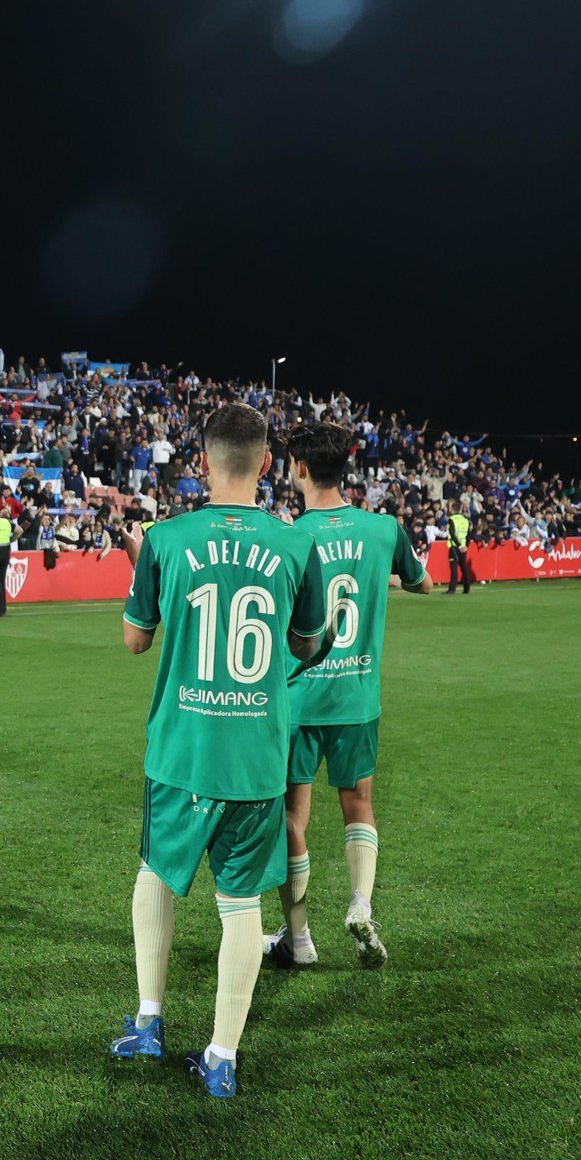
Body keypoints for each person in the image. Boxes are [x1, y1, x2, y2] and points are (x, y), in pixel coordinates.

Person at [108, 403, 331, 1099]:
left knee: (156, 875)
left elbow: (135, 640)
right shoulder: (297, 545)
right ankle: (221, 1057)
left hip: (183, 749)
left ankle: (149, 1020)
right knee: (241, 908)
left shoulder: (166, 538)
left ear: (201, 463)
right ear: (267, 465)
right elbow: (308, 643)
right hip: (256, 756)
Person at [265, 424, 429, 973]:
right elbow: (423, 582)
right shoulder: (384, 529)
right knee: (359, 804)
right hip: (357, 696)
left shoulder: (289, 537)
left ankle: (300, 938)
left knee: (294, 816)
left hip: (298, 697)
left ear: (302, 469)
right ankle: (361, 904)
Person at [444, 502, 474, 594]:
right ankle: (466, 588)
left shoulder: (452, 519)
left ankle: (452, 589)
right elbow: (469, 535)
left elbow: (452, 534)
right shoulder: (466, 520)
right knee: (464, 568)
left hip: (454, 547)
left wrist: (459, 545)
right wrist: (465, 546)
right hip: (463, 547)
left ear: (452, 509)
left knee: (454, 569)